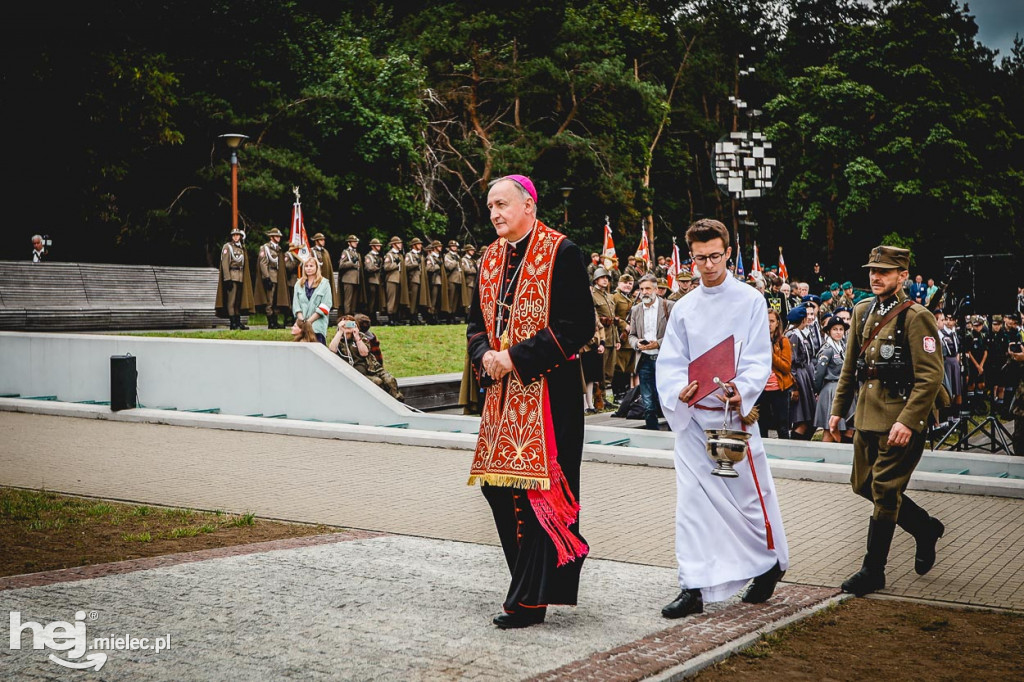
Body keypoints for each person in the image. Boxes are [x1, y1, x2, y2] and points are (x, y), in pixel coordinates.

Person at [466, 174, 593, 629]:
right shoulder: (489, 257)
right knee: (497, 487)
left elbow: (577, 326)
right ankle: (530, 587)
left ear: (529, 206)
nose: (496, 213)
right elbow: (476, 324)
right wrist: (486, 357)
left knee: (538, 493)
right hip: (502, 398)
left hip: (548, 396)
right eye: (490, 207)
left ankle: (528, 600)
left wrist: (514, 358)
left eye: (502, 204)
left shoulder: (563, 251)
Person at [656, 218, 789, 619]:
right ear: (691, 259)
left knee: (750, 501)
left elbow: (757, 358)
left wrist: (741, 389)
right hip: (695, 421)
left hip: (734, 419)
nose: (708, 265)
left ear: (728, 253)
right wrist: (677, 388)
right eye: (700, 259)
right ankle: (692, 585)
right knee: (692, 505)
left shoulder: (749, 300)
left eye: (715, 256)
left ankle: (770, 563)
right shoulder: (684, 307)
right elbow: (671, 361)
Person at [829, 245, 946, 597]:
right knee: (862, 485)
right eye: (872, 271)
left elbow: (930, 376)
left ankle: (873, 570)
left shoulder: (916, 316)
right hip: (867, 414)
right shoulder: (863, 310)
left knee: (885, 490)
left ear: (902, 276)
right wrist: (837, 409)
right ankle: (925, 529)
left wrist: (909, 421)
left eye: (884, 271)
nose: (875, 277)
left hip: (900, 418)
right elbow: (851, 366)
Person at [628, 274, 674, 430]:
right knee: (648, 402)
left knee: (667, 398)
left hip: (664, 359)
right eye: (641, 289)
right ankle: (651, 433)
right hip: (644, 359)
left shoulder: (669, 306)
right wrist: (637, 343)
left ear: (656, 290)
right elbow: (631, 335)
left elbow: (675, 333)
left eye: (648, 288)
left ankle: (673, 432)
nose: (644, 292)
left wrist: (658, 343)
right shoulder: (636, 310)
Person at [329, 315, 404, 401]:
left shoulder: (361, 336)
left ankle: (399, 401)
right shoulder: (338, 339)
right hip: (357, 373)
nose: (348, 326)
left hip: (372, 368)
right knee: (377, 382)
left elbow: (364, 353)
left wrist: (357, 337)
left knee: (390, 380)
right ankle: (383, 403)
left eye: (351, 323)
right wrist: (340, 331)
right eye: (346, 324)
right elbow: (332, 349)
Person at [814, 315, 853, 443]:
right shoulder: (827, 350)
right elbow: (819, 374)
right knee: (829, 429)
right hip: (831, 389)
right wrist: (817, 391)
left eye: (841, 329)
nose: (838, 332)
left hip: (842, 388)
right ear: (829, 332)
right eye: (835, 329)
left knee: (847, 428)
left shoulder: (842, 347)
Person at [756, 309, 793, 439]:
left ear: (777, 323)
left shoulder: (783, 341)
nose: (768, 324)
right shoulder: (756, 341)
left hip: (779, 389)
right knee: (762, 425)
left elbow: (786, 367)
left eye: (771, 321)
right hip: (762, 389)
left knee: (782, 426)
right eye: (765, 321)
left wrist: (771, 355)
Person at [786, 305, 818, 440]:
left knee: (810, 418)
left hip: (806, 375)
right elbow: (791, 362)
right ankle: (795, 445)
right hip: (799, 377)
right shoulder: (793, 335)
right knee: (802, 419)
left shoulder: (802, 334)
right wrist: (794, 386)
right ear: (803, 320)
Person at [215, 228, 255, 330]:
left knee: (238, 301)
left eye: (237, 235)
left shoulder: (241, 248)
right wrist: (227, 278)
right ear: (231, 236)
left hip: (240, 277)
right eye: (234, 235)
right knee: (231, 301)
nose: (236, 237)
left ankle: (238, 322)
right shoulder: (227, 247)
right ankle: (232, 323)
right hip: (232, 277)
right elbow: (225, 263)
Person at [591, 266, 619, 409]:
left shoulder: (609, 296)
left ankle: (605, 397)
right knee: (600, 371)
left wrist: (618, 339)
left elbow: (613, 319)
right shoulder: (592, 294)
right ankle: (598, 398)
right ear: (596, 279)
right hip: (601, 338)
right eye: (602, 278)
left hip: (612, 337)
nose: (605, 280)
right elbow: (592, 317)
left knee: (609, 371)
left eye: (607, 278)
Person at [291, 256, 333, 344]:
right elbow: (296, 305)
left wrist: (309, 322)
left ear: (317, 267)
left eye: (311, 266)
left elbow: (325, 305)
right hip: (302, 322)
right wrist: (302, 321)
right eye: (306, 266)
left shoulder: (324, 283)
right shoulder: (298, 284)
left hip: (317, 323)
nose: (308, 268)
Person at [255, 228, 285, 329]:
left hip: (278, 276)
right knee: (270, 301)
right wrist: (266, 277)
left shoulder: (278, 248)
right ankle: (271, 322)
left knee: (276, 300)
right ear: (271, 237)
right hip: (270, 275)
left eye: (279, 236)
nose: (278, 238)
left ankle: (275, 321)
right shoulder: (265, 248)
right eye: (276, 236)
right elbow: (263, 263)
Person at [612, 273, 637, 397]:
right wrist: (623, 325)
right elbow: (612, 316)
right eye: (625, 283)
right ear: (619, 283)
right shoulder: (615, 297)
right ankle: (618, 393)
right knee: (619, 367)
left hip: (630, 338)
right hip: (620, 336)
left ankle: (627, 393)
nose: (627, 285)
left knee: (628, 367)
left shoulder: (631, 299)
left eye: (630, 283)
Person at [581, 310, 606, 414]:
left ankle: (590, 403)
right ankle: (584, 405)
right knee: (584, 378)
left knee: (591, 377)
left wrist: (602, 343)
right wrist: (595, 346)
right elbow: (582, 329)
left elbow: (600, 327)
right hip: (585, 348)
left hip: (595, 348)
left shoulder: (593, 309)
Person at [310, 233, 340, 314]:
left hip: (325, 280)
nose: (323, 241)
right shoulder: (312, 251)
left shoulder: (325, 252)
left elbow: (329, 267)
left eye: (323, 240)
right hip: (316, 280)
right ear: (316, 241)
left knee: (325, 298)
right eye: (321, 240)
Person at [382, 236, 408, 323]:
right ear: (393, 245)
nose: (400, 245)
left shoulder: (400, 255)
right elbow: (386, 267)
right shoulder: (389, 255)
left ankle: (395, 317)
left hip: (399, 279)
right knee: (392, 299)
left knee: (397, 300)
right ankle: (390, 317)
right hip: (392, 279)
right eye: (398, 243)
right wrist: (396, 264)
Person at [337, 235, 364, 317]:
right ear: (349, 243)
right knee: (348, 300)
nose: (356, 243)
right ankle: (347, 315)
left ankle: (351, 315)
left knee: (354, 300)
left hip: (356, 279)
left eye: (356, 242)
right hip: (348, 279)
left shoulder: (356, 253)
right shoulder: (346, 252)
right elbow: (341, 265)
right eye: (354, 242)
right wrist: (351, 263)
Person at [404, 237, 428, 323]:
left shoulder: (420, 255)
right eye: (418, 244)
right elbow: (406, 265)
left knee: (419, 298)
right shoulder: (409, 255)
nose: (420, 245)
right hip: (413, 278)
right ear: (414, 245)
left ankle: (416, 315)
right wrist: (415, 263)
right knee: (413, 299)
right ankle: (412, 316)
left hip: (420, 278)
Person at [444, 239, 467, 322]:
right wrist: (455, 262)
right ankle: (449, 315)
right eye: (453, 246)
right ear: (450, 247)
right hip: (452, 279)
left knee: (456, 299)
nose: (454, 248)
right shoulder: (448, 256)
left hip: (459, 279)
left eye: (455, 246)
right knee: (451, 298)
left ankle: (453, 313)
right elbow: (448, 266)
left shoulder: (457, 256)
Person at [363, 238, 385, 322]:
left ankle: (374, 317)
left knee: (377, 301)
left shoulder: (378, 257)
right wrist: (377, 267)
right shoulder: (369, 256)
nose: (379, 247)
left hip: (378, 280)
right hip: (372, 280)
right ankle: (370, 317)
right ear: (373, 247)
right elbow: (368, 267)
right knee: (371, 301)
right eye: (377, 245)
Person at [461, 245, 478, 316]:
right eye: (471, 250)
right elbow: (465, 269)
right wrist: (474, 270)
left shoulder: (472, 260)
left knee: (472, 299)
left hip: (474, 281)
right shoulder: (464, 260)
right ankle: (467, 314)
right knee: (468, 299)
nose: (473, 251)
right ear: (467, 251)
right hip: (468, 281)